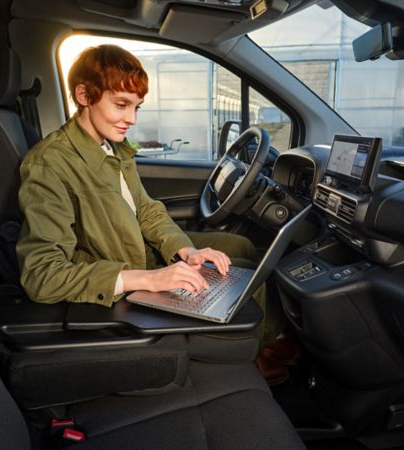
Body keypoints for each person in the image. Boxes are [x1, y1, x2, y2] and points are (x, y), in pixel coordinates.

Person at [16, 44, 259, 308]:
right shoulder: (49, 164)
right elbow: (42, 276)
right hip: (120, 272)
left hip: (139, 248)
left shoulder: (115, 146)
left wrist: (185, 250)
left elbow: (145, 210)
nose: (131, 119)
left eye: (137, 107)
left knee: (243, 249)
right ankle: (266, 347)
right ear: (84, 95)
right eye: (121, 105)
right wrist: (150, 279)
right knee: (248, 278)